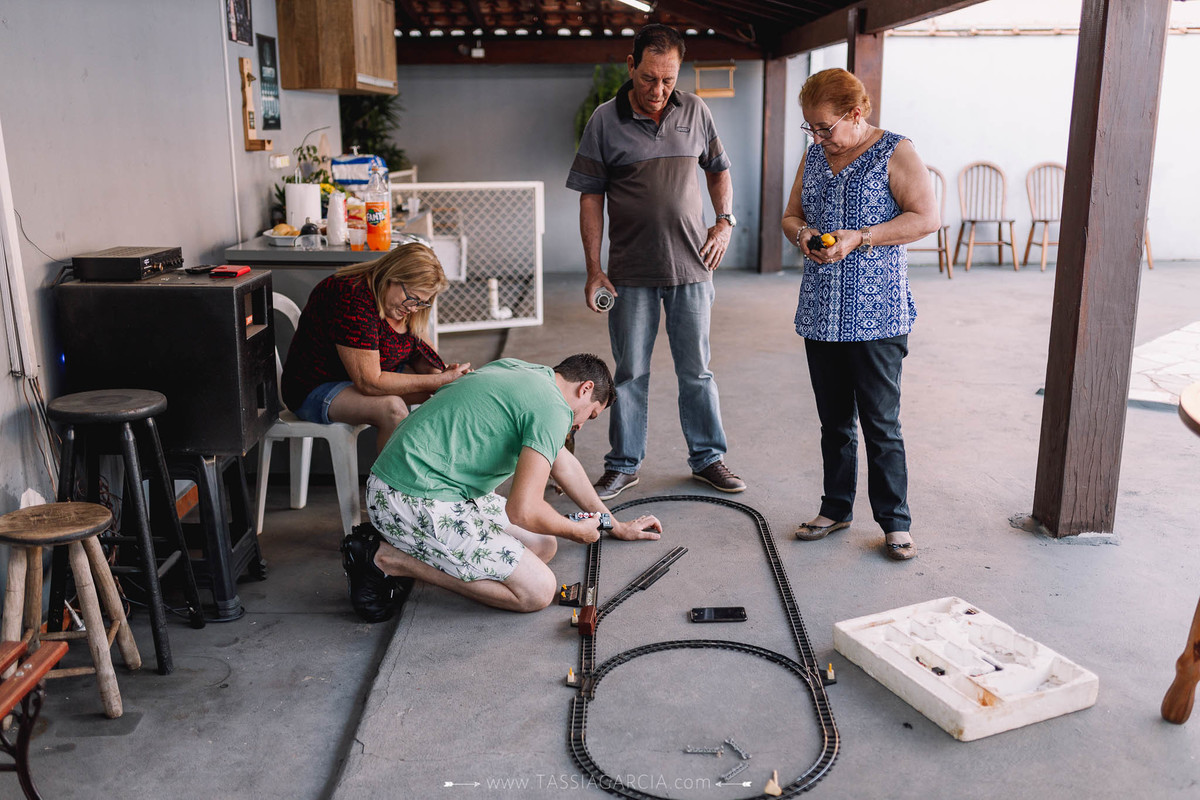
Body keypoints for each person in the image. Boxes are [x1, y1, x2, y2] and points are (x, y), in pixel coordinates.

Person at [340, 354, 664, 621]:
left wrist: (613, 524)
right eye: (589, 415)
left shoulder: (525, 371)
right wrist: (575, 531)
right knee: (537, 592)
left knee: (542, 545)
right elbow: (523, 510)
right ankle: (386, 558)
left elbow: (564, 464)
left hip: (422, 485)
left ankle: (418, 546)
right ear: (585, 388)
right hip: (412, 498)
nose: (578, 426)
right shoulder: (553, 409)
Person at [566, 23, 745, 501]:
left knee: (697, 371)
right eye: (649, 79)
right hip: (629, 273)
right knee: (629, 375)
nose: (658, 91)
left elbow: (719, 170)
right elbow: (590, 198)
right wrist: (593, 268)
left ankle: (708, 458)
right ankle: (624, 464)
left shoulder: (697, 111)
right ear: (631, 66)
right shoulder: (604, 120)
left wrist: (724, 222)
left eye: (668, 80)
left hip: (692, 269)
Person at [780, 68, 940, 561]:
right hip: (822, 313)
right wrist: (804, 235)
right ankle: (835, 508)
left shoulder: (896, 150)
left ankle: (895, 522)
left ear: (856, 113)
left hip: (877, 314)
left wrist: (861, 236)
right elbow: (790, 216)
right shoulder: (814, 156)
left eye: (825, 127)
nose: (818, 137)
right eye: (811, 128)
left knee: (880, 423)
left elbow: (926, 218)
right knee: (834, 422)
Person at [281, 243, 471, 453]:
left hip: (362, 378)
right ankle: (388, 486)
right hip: (316, 386)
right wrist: (439, 380)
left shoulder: (408, 302)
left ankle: (442, 476)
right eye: (413, 299)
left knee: (445, 397)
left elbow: (422, 355)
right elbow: (370, 382)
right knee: (393, 410)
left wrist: (448, 377)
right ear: (393, 277)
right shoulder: (352, 296)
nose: (414, 308)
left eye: (422, 303)